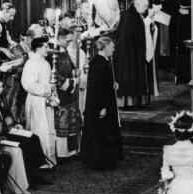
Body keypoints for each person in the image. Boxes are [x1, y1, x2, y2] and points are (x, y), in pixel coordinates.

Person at [80, 37, 123, 170]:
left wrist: (112, 84)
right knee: (103, 132)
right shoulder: (100, 63)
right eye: (111, 47)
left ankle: (106, 159)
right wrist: (102, 107)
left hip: (103, 102)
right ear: (105, 47)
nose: (114, 49)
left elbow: (103, 83)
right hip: (101, 105)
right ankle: (102, 161)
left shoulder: (100, 61)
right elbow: (97, 87)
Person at [114, 0, 157, 108]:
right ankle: (128, 102)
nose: (147, 9)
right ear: (137, 4)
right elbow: (132, 34)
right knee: (129, 77)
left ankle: (136, 101)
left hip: (134, 52)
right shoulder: (129, 16)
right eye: (145, 6)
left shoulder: (136, 15)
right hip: (128, 54)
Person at [21, 37, 57, 167]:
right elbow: (28, 84)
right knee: (38, 128)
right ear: (39, 47)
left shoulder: (44, 62)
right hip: (36, 99)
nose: (48, 49)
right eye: (46, 46)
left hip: (45, 99)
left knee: (48, 128)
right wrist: (46, 90)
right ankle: (39, 161)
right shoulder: (31, 63)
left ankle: (49, 159)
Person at [53, 28, 82, 158]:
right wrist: (70, 83)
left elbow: (70, 67)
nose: (69, 42)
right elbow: (54, 74)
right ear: (59, 38)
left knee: (72, 122)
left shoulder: (64, 50)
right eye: (67, 40)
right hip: (61, 92)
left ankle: (73, 150)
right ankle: (62, 153)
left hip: (69, 91)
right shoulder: (53, 52)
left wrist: (75, 72)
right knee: (62, 123)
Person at [147, 0, 174, 68]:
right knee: (151, 35)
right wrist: (150, 6)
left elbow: (172, 0)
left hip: (163, 14)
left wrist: (161, 6)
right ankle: (152, 61)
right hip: (151, 13)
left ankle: (164, 64)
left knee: (164, 39)